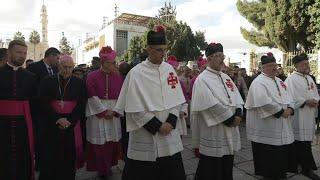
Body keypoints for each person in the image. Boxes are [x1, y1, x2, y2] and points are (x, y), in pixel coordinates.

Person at [115, 25, 186, 180]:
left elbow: (177, 100)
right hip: (146, 134)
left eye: (165, 49)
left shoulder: (169, 70)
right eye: (159, 50)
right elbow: (133, 108)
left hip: (169, 134)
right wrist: (157, 126)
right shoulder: (136, 73)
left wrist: (171, 122)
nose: (164, 54)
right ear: (149, 49)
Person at [191, 43, 243, 180]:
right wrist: (230, 119)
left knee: (227, 163)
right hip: (215, 129)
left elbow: (237, 97)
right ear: (209, 59)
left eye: (222, 55)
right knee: (211, 167)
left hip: (230, 127)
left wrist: (238, 113)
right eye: (217, 56)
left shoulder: (226, 78)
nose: (221, 59)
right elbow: (209, 104)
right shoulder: (202, 79)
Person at [245, 53, 297, 179]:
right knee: (269, 158)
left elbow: (290, 96)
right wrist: (281, 112)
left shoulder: (279, 81)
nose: (274, 68)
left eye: (275, 65)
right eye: (270, 66)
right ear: (263, 68)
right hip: (267, 126)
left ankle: (280, 174)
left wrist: (290, 108)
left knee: (281, 155)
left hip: (282, 123)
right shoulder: (258, 82)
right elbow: (263, 102)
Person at [38, 55, 86, 180]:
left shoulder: (79, 83)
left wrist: (70, 120)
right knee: (50, 157)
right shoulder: (47, 81)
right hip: (52, 124)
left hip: (71, 125)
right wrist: (57, 118)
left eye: (71, 67)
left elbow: (82, 104)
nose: (68, 70)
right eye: (65, 67)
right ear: (59, 66)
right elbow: (42, 102)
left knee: (68, 158)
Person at [0, 40, 36, 180]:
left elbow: (35, 104)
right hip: (2, 125)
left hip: (23, 125)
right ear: (9, 52)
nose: (22, 56)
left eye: (24, 53)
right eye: (18, 52)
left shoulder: (30, 77)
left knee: (22, 156)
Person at [85, 46, 123, 180]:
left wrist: (115, 111)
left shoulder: (118, 77)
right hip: (97, 113)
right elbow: (91, 96)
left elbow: (123, 96)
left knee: (112, 142)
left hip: (114, 111)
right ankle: (101, 169)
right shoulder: (91, 76)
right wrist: (103, 111)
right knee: (99, 143)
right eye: (112, 63)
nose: (115, 65)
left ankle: (109, 166)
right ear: (104, 63)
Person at [285, 53, 320, 180]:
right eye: (305, 63)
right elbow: (289, 98)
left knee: (306, 142)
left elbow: (314, 92)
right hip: (298, 116)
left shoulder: (309, 78)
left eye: (307, 63)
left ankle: (306, 165)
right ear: (297, 65)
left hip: (309, 114)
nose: (307, 65)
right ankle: (305, 168)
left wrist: (316, 100)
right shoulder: (291, 80)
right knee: (300, 142)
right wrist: (305, 102)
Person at [26, 47, 61, 170]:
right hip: (38, 111)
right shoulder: (34, 68)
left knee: (51, 138)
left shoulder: (57, 69)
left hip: (53, 111)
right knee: (40, 138)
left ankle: (50, 161)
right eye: (57, 58)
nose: (58, 61)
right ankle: (39, 164)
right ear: (50, 56)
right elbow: (30, 89)